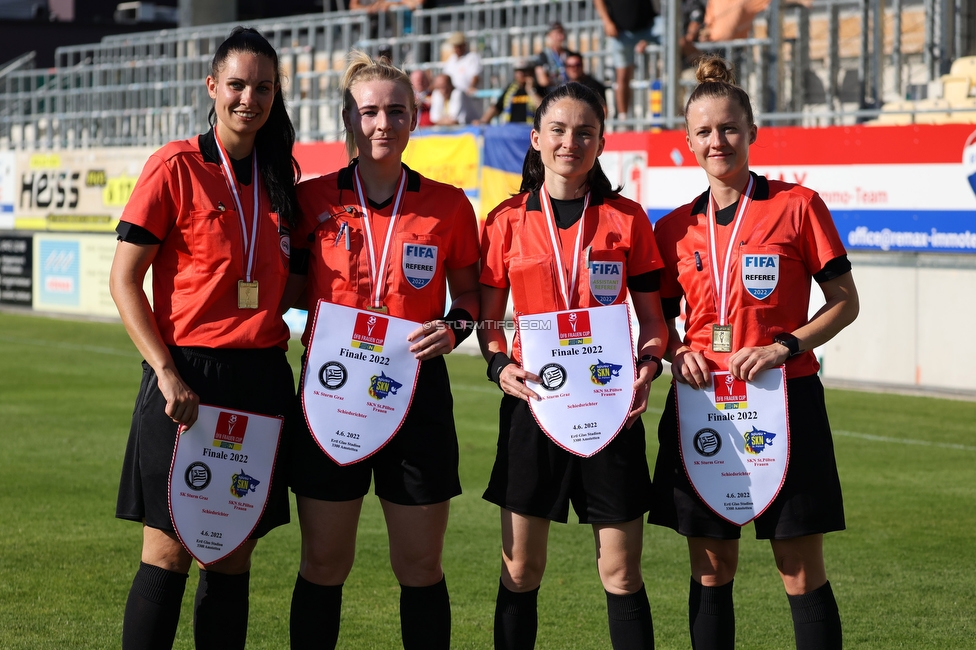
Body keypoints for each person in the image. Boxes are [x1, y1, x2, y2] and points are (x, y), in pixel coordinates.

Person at [649, 55, 858, 650]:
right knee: (712, 570)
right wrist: (672, 355)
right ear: (687, 143)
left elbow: (845, 301)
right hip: (702, 405)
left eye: (730, 128)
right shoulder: (673, 230)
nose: (719, 141)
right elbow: (658, 320)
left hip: (786, 400)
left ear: (753, 132)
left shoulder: (799, 206)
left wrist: (784, 346)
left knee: (799, 570)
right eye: (705, 132)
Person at [110, 26, 301, 650]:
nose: (251, 98)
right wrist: (165, 371)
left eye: (264, 87)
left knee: (230, 558)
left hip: (260, 381)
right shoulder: (174, 165)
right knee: (166, 557)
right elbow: (124, 280)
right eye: (239, 84)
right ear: (213, 86)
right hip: (187, 378)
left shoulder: (280, 177)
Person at [286, 51, 481, 650]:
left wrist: (453, 330)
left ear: (415, 118)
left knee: (420, 569)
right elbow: (284, 292)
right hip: (332, 393)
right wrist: (298, 325)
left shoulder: (448, 205)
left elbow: (470, 303)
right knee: (324, 564)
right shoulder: (310, 199)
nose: (381, 124)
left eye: (396, 111)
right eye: (368, 111)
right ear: (346, 116)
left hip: (418, 396)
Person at [479, 81, 668, 650]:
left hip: (611, 410)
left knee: (622, 574)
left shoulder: (628, 220)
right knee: (520, 571)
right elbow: (488, 323)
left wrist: (648, 366)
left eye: (585, 132)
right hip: (533, 408)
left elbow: (654, 323)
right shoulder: (506, 220)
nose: (571, 142)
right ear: (536, 140)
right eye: (558, 130)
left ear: (601, 141)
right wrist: (496, 367)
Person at [593, 0, 660, 120]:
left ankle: (701, 66)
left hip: (650, 26)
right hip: (621, 32)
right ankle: (623, 119)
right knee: (622, 77)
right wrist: (607, 22)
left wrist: (645, 40)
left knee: (676, 39)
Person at [479, 58, 545, 125]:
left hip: (530, 129)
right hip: (511, 131)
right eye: (518, 71)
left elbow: (544, 109)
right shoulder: (510, 90)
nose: (521, 74)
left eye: (525, 71)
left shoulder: (539, 88)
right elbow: (496, 108)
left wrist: (531, 90)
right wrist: (482, 121)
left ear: (532, 72)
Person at [534, 22, 580, 88]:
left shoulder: (570, 54)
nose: (561, 37)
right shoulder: (543, 56)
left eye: (562, 33)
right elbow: (543, 81)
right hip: (551, 94)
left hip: (569, 91)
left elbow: (577, 77)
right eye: (557, 33)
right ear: (549, 35)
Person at [442, 31, 482, 96]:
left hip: (468, 98)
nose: (457, 49)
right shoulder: (451, 60)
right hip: (453, 96)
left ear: (464, 45)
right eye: (455, 46)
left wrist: (471, 87)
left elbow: (476, 75)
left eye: (459, 46)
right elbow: (445, 76)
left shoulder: (472, 57)